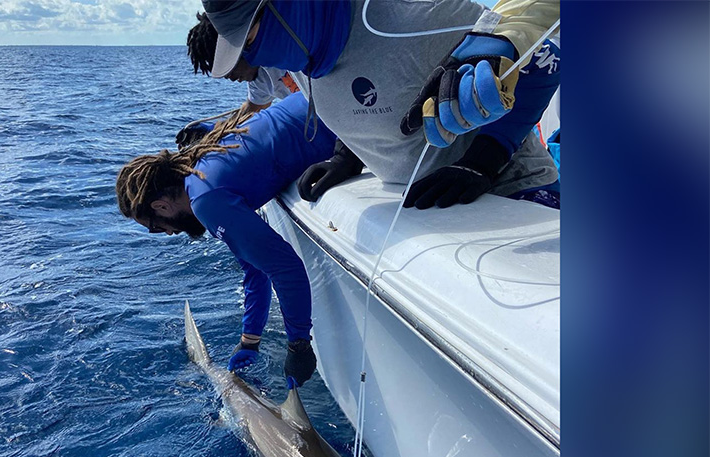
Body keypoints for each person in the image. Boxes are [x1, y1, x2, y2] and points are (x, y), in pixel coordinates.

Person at [201, 0, 561, 210]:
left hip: (513, 196)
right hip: (431, 215)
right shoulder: (299, 52)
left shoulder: (411, 18)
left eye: (250, 40)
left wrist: (483, 161)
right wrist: (346, 156)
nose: (254, 59)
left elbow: (546, 60)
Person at [116, 93, 338, 387]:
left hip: (341, 123)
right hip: (324, 99)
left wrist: (299, 344)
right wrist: (250, 340)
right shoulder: (201, 165)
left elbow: (286, 268)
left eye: (155, 227)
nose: (168, 233)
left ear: (161, 206)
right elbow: (255, 265)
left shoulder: (206, 201)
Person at [176, 12, 301, 149]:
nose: (227, 76)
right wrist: (214, 131)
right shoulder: (259, 78)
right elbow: (250, 111)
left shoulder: (286, 50)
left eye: (226, 67)